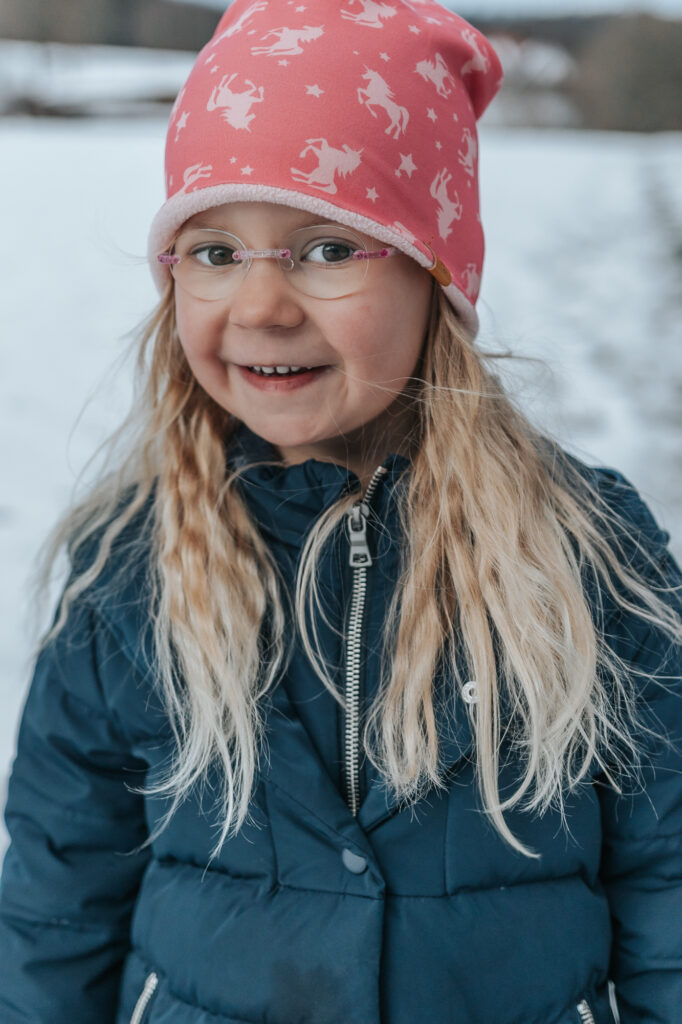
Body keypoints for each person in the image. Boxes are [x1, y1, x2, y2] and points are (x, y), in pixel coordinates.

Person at [0, 1, 680, 1021]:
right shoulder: (131, 566)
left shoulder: (581, 544)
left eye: (325, 249)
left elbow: (666, 871)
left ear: (434, 275)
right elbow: (56, 900)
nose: (263, 304)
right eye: (215, 251)